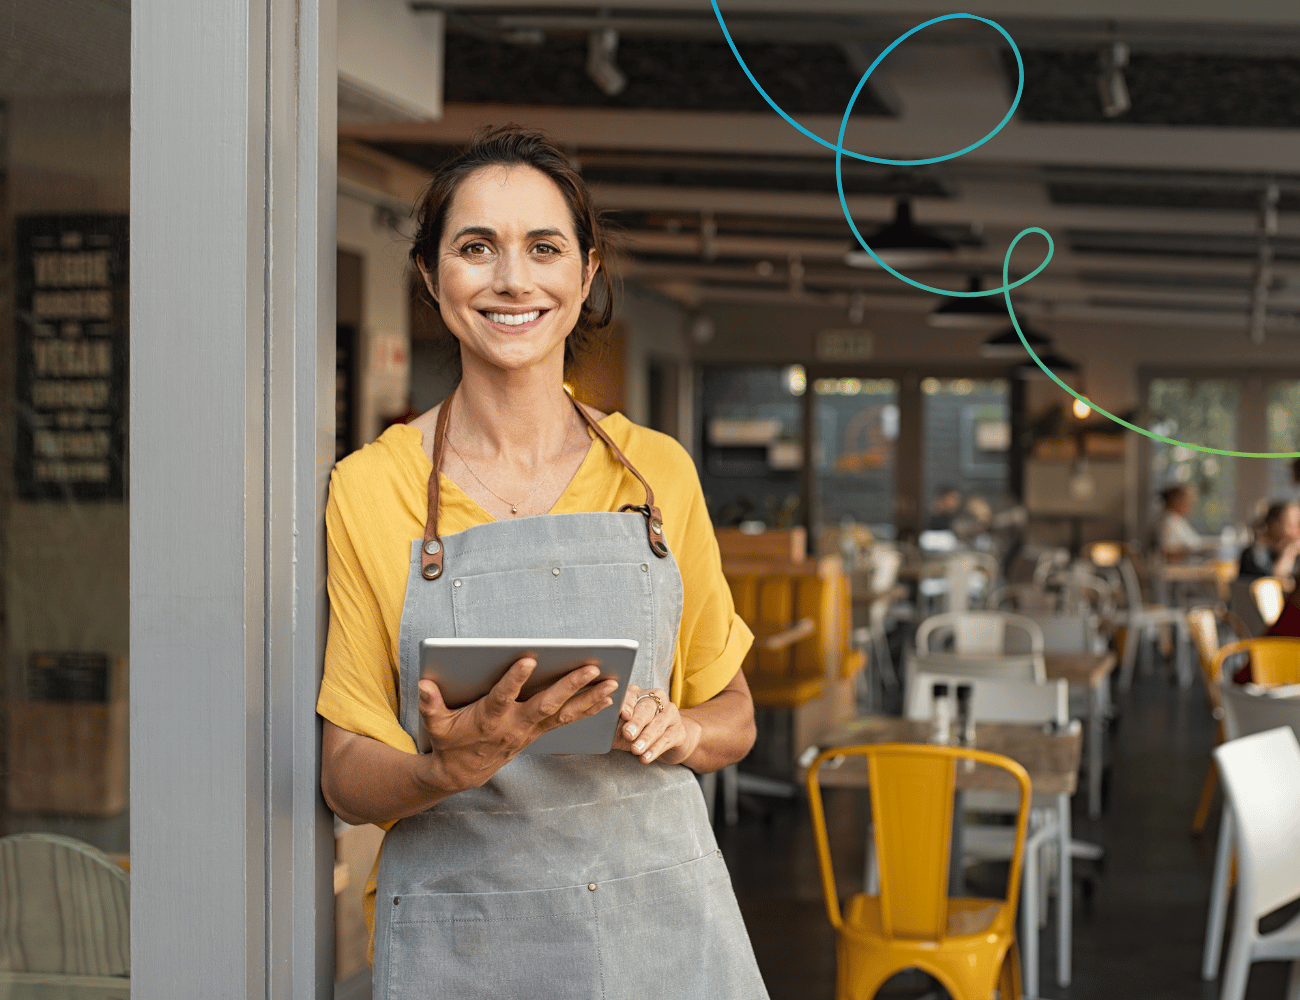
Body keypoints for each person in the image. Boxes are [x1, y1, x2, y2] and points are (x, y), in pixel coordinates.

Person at [317, 127, 768, 999]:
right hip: (469, 941)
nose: (513, 280)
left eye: (544, 248)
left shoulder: (656, 473)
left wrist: (684, 731)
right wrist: (443, 768)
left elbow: (735, 712)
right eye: (476, 247)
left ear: (586, 273)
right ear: (429, 275)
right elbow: (345, 774)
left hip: (658, 927)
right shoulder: (372, 488)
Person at [1239, 501, 1300, 581]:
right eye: (1293, 525)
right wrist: (1289, 553)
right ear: (1274, 525)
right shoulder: (1256, 553)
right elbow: (1273, 582)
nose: (1297, 531)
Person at [1151, 484, 1210, 561]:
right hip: (1174, 570)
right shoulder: (1167, 522)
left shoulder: (1178, 520)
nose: (1191, 505)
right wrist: (1194, 550)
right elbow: (1167, 553)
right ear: (1176, 501)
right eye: (1187, 501)